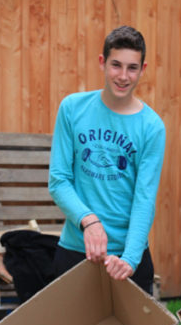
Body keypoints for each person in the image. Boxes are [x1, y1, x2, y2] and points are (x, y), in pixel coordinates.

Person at [48, 25, 166, 295]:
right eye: (116, 65)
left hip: (127, 257)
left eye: (132, 68)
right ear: (102, 63)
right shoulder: (72, 109)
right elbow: (59, 180)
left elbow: (144, 198)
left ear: (143, 69)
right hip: (76, 251)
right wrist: (88, 221)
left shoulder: (152, 127)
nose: (123, 76)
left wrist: (131, 259)